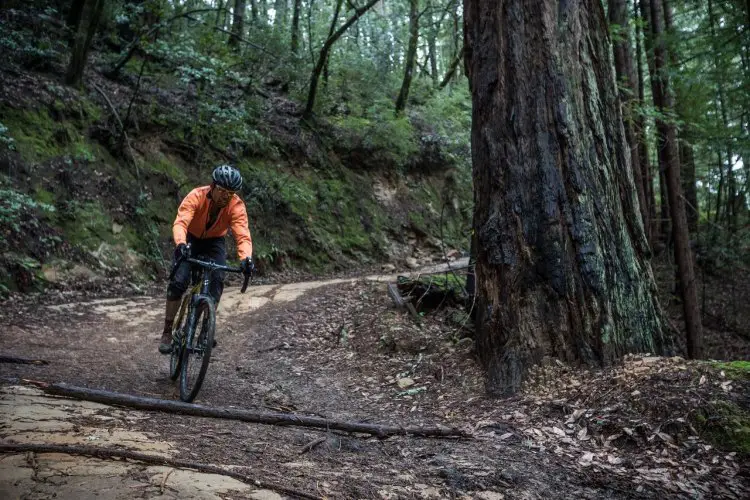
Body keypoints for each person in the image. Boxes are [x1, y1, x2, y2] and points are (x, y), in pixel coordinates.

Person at [158, 164, 255, 354]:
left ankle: (204, 330)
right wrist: (180, 244)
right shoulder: (197, 195)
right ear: (213, 186)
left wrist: (246, 258)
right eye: (222, 191)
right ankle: (167, 331)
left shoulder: (236, 206)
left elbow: (242, 235)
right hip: (191, 239)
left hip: (214, 242)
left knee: (217, 280)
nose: (226, 196)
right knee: (178, 282)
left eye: (231, 193)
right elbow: (181, 221)